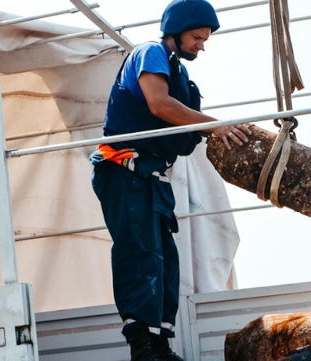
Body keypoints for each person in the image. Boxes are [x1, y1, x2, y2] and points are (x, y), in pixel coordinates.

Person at [90, 1, 250, 360]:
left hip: (152, 178)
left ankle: (160, 343)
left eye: (205, 39)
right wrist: (216, 125)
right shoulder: (149, 53)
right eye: (197, 37)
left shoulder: (179, 73)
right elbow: (159, 105)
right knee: (140, 254)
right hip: (123, 171)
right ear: (176, 30)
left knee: (165, 262)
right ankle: (142, 348)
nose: (201, 45)